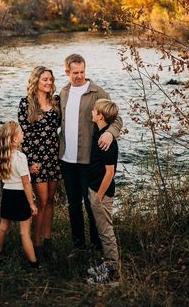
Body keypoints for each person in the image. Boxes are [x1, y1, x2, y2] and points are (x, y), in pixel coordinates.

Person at [59, 53, 122, 251]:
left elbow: (116, 118)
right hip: (66, 160)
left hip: (88, 160)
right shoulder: (63, 92)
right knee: (73, 206)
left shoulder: (97, 92)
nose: (79, 76)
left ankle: (97, 247)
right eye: (75, 72)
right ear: (67, 72)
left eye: (82, 72)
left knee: (92, 205)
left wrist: (110, 134)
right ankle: (78, 246)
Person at [18, 66, 61, 260]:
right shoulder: (25, 103)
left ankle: (48, 240)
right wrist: (30, 163)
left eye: (50, 79)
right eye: (45, 79)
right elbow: (24, 136)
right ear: (36, 80)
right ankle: (36, 245)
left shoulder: (56, 101)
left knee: (51, 201)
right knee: (41, 202)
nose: (49, 82)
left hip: (53, 157)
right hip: (36, 160)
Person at [0, 120, 40, 268]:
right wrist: (32, 204)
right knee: (24, 233)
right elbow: (26, 184)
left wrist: (28, 170)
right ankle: (34, 264)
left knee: (2, 227)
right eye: (21, 132)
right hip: (20, 197)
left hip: (7, 195)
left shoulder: (3, 156)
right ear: (14, 139)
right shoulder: (21, 157)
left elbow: (12, 175)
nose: (23, 134)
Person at [86, 99, 120, 284]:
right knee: (101, 230)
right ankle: (107, 265)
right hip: (95, 189)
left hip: (102, 193)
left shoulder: (106, 140)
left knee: (106, 232)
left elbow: (110, 172)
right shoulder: (99, 133)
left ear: (100, 116)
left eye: (94, 110)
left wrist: (98, 196)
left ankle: (113, 274)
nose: (92, 111)